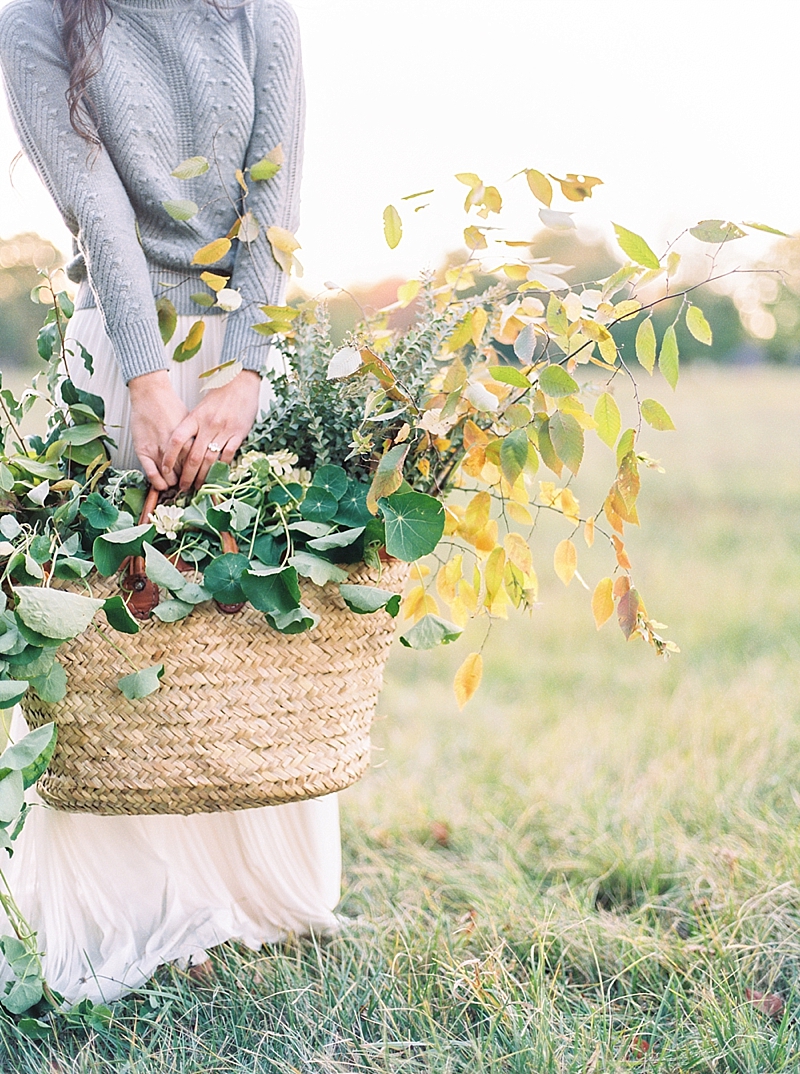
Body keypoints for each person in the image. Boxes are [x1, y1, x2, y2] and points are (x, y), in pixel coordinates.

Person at [0, 0, 342, 1004]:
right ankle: (131, 914)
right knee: (125, 639)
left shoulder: (256, 11)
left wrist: (244, 374)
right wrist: (148, 384)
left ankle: (245, 900)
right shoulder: (36, 17)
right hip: (119, 353)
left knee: (240, 636)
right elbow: (96, 209)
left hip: (245, 353)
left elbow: (272, 200)